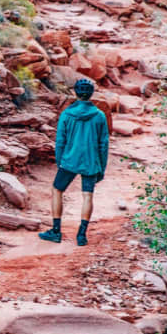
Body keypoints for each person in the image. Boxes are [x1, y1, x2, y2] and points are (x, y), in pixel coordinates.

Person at [39, 78, 109, 246]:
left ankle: (56, 231)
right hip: (91, 162)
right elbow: (103, 144)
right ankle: (82, 235)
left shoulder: (67, 114)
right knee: (87, 196)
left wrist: (60, 161)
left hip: (69, 160)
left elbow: (60, 141)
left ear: (75, 93)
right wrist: (102, 167)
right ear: (91, 94)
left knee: (57, 190)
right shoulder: (99, 116)